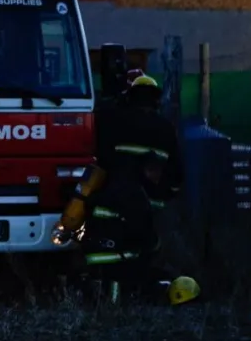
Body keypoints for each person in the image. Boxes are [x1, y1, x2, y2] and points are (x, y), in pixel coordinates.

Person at [55, 72, 200, 305]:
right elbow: (176, 176)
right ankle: (130, 298)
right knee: (140, 255)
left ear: (130, 97)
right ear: (155, 100)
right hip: (145, 208)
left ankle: (103, 297)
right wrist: (161, 198)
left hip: (107, 204)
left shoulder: (113, 119)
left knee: (105, 258)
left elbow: (98, 160)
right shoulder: (165, 129)